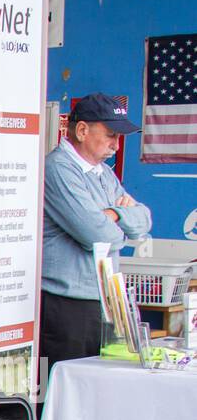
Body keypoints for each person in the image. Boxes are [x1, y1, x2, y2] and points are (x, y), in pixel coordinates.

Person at [41, 93, 152, 381]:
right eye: (111, 135)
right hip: (67, 306)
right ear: (81, 130)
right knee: (63, 393)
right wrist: (118, 220)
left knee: (97, 393)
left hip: (104, 301)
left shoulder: (102, 172)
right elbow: (96, 235)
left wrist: (112, 214)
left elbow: (144, 221)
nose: (116, 145)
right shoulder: (58, 168)